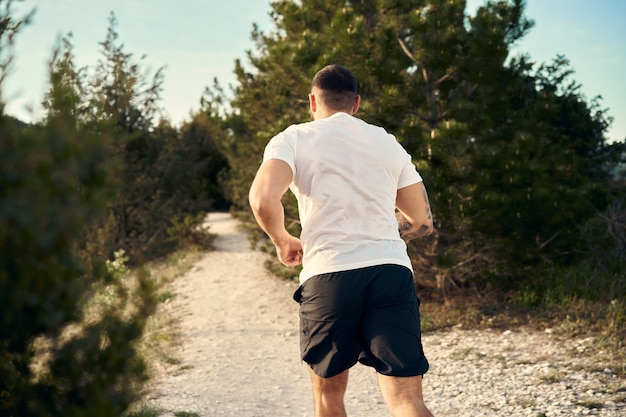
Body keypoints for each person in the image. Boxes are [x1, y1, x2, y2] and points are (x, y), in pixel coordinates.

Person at [249, 64, 435, 417]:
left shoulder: (293, 138)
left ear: (312, 101)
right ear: (356, 103)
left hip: (330, 273)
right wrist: (378, 227)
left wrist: (282, 240)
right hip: (391, 273)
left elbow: (261, 199)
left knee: (329, 399)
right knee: (408, 401)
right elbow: (422, 221)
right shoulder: (388, 142)